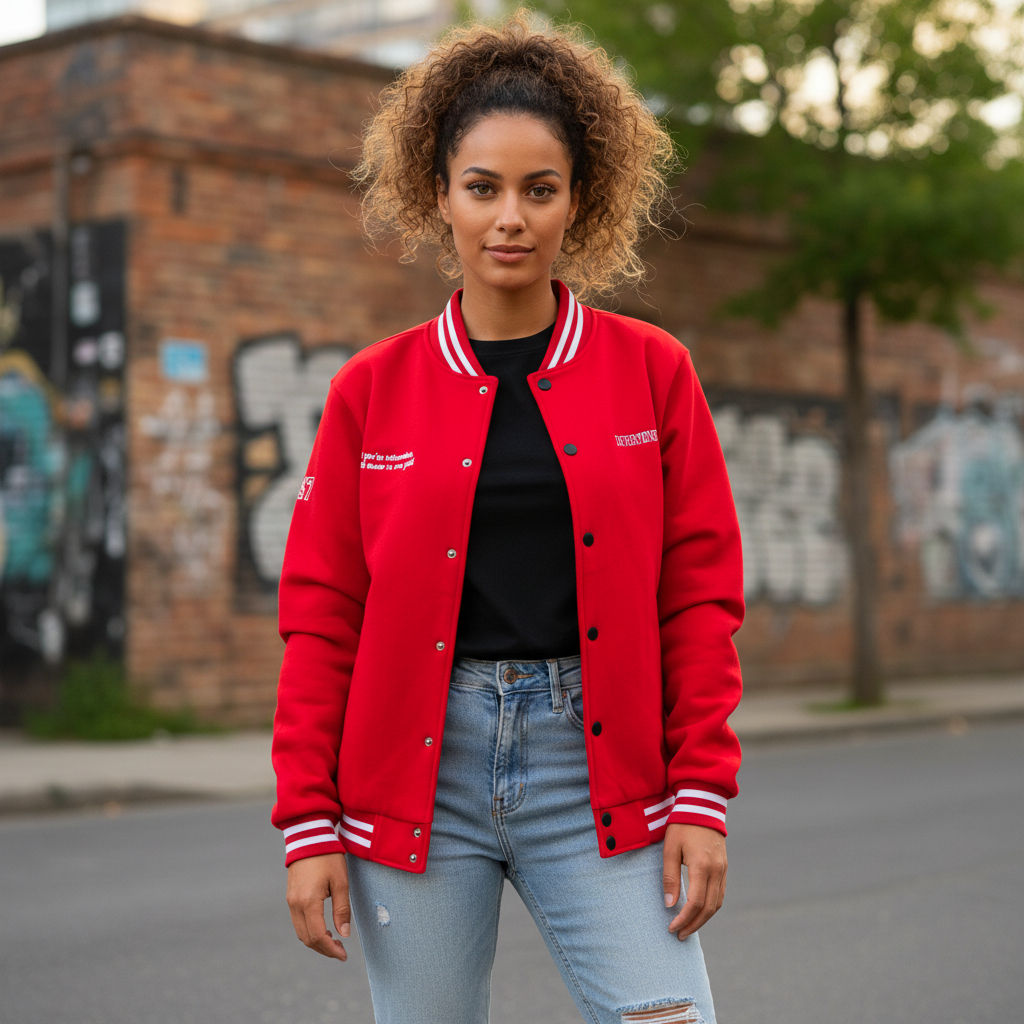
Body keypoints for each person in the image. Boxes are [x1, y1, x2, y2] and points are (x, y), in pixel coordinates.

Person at [271, 12, 744, 1024]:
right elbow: (322, 618)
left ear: (580, 199)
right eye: (481, 187)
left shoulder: (652, 372)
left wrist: (700, 794)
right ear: (437, 194)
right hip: (413, 782)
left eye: (540, 189)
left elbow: (698, 596)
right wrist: (307, 821)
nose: (510, 218)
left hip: (600, 773)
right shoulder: (370, 390)